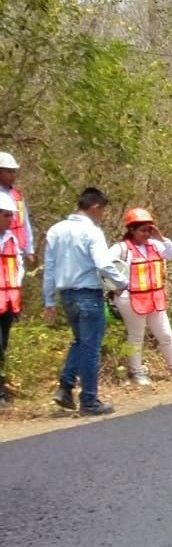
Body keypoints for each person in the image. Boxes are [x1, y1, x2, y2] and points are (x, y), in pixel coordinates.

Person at [42, 187, 128, 415]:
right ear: (95, 207)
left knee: (80, 342)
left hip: (67, 295)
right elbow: (104, 263)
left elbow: (49, 268)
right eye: (102, 211)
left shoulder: (55, 230)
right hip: (88, 294)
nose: (102, 216)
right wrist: (121, 283)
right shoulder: (92, 232)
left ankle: (65, 387)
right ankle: (89, 399)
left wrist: (49, 300)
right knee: (91, 347)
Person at [109, 208, 172, 386]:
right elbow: (105, 265)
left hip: (155, 297)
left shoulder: (155, 245)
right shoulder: (121, 249)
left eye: (149, 229)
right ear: (132, 230)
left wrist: (160, 237)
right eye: (142, 230)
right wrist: (120, 287)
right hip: (131, 299)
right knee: (136, 336)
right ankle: (136, 371)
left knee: (165, 334)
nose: (146, 234)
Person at [0, 192, 24, 406]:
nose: (10, 220)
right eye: (6, 215)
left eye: (11, 215)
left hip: (8, 302)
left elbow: (18, 268)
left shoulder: (11, 240)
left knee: (3, 346)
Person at [0, 152, 36, 265]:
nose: (12, 175)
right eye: (9, 171)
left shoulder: (17, 196)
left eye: (13, 172)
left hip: (16, 250)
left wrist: (29, 250)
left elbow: (24, 223)